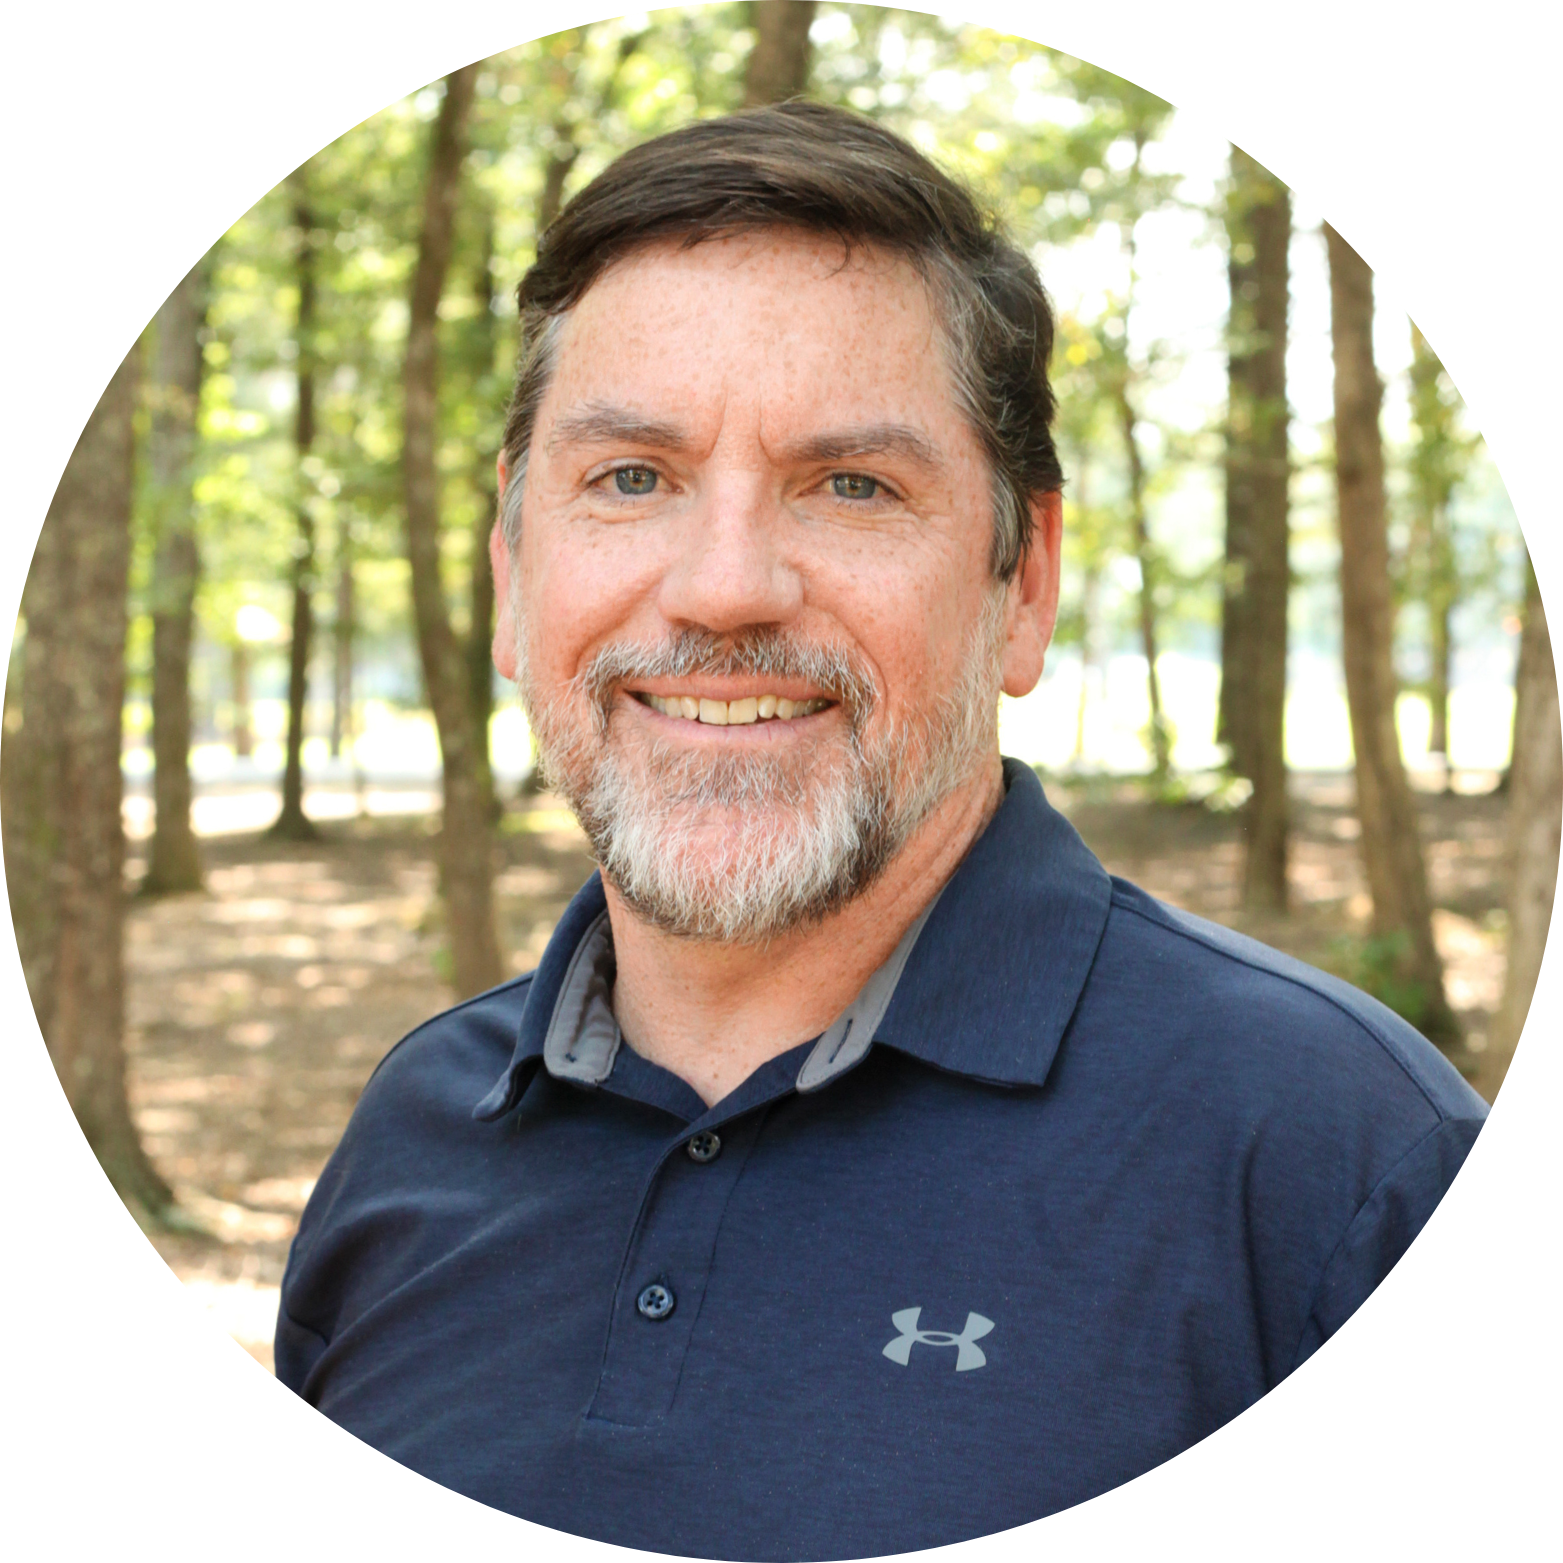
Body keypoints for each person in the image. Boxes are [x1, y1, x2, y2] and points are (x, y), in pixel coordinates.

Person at [276, 101, 1487, 1554]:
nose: (724, 587)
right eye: (630, 479)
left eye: (849, 484)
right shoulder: (417, 1131)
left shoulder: (1334, 1162)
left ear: (1019, 583)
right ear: (514, 568)